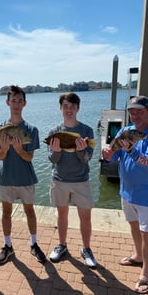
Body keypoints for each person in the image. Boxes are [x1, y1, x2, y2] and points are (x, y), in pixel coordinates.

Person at [102, 95, 148, 294]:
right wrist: (108, 155)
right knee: (133, 226)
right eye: (132, 111)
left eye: (139, 111)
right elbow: (114, 156)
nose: (135, 115)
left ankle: (146, 273)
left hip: (146, 195)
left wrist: (132, 152)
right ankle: (138, 256)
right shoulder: (125, 131)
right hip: (127, 191)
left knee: (147, 234)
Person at [0, 85, 46, 265]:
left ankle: (34, 243)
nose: (16, 104)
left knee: (30, 212)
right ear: (8, 102)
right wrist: (6, 149)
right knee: (6, 213)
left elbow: (29, 157)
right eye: (13, 101)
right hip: (6, 179)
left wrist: (19, 150)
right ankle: (7, 246)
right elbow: (0, 157)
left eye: (20, 101)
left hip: (25, 178)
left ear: (25, 103)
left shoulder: (31, 130)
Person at [47, 92, 97, 268]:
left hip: (81, 180)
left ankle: (86, 249)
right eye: (66, 106)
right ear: (61, 108)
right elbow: (52, 160)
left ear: (78, 108)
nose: (69, 110)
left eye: (73, 106)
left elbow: (86, 159)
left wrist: (81, 150)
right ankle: (62, 246)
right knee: (62, 215)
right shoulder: (54, 132)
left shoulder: (86, 131)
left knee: (85, 216)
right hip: (59, 180)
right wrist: (57, 151)